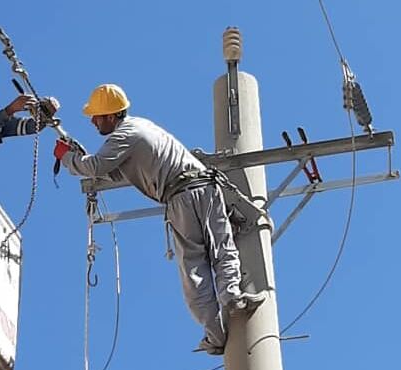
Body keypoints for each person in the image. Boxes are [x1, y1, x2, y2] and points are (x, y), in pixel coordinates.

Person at [53, 84, 265, 355]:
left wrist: (67, 157)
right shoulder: (142, 127)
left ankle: (215, 334)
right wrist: (79, 159)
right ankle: (232, 297)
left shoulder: (124, 135)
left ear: (110, 115)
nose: (93, 122)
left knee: (194, 266)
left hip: (181, 196)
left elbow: (97, 167)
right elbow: (114, 172)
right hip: (205, 185)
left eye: (96, 116)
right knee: (222, 247)